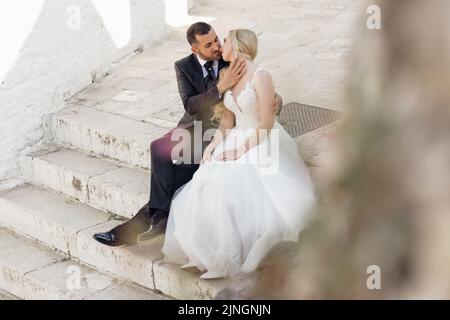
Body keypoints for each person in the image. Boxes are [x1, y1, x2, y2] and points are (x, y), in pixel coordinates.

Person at [93, 22, 282, 246]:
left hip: (220, 130)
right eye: (208, 44)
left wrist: (277, 101)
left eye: (217, 40)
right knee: (158, 148)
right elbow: (190, 105)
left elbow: (258, 92)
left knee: (183, 173)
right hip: (194, 128)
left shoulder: (230, 58)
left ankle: (135, 227)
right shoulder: (183, 66)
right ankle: (157, 218)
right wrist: (221, 88)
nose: (217, 47)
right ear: (195, 49)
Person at [161, 29, 317, 279]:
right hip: (234, 138)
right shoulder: (228, 74)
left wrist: (240, 151)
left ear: (237, 44)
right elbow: (227, 122)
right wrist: (212, 147)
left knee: (226, 187)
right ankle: (202, 255)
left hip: (261, 141)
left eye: (224, 40)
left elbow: (266, 123)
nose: (221, 44)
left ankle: (225, 261)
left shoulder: (261, 76)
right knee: (203, 181)